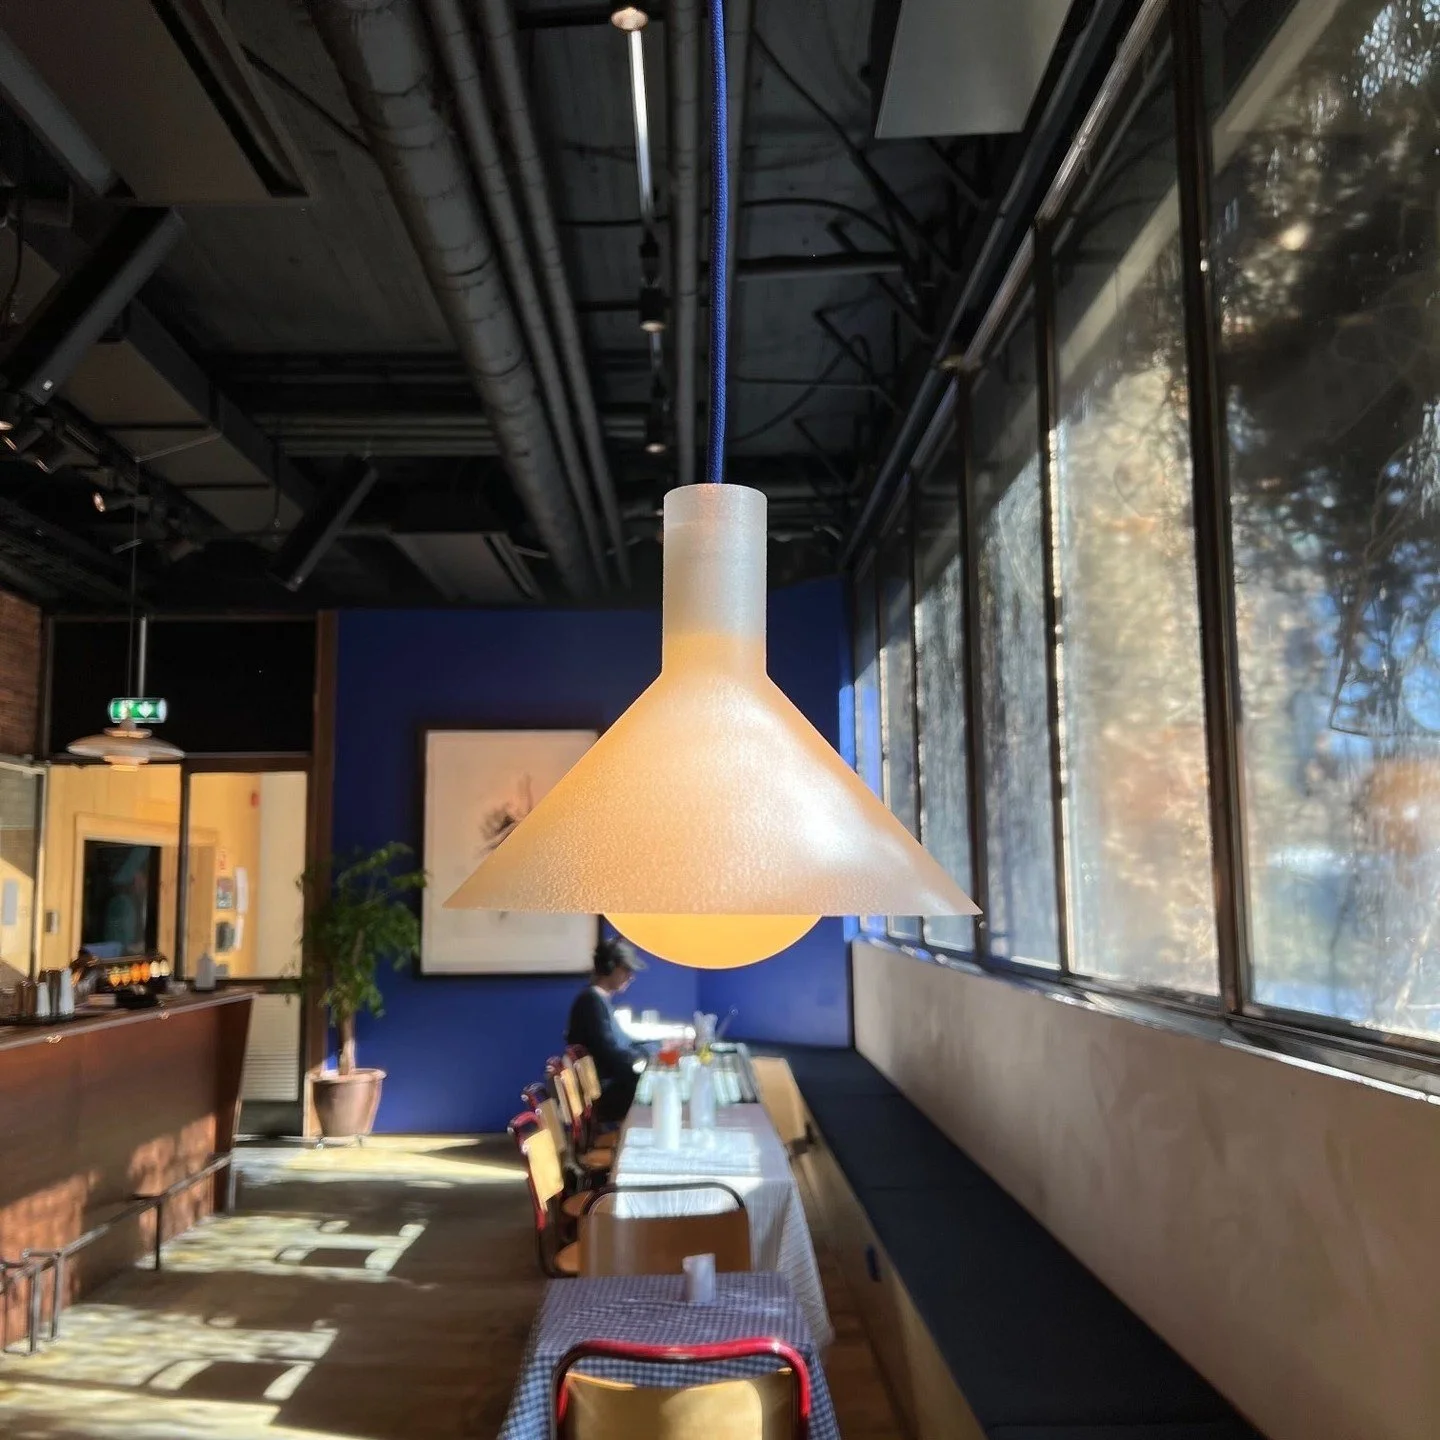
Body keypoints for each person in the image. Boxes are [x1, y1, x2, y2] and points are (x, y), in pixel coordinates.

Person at [566, 936, 647, 1122]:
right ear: (610, 967)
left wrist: (652, 1050)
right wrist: (643, 1060)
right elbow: (609, 1053)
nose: (631, 976)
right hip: (604, 1095)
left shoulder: (598, 1000)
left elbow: (622, 1044)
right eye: (626, 969)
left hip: (606, 1088)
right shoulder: (591, 1002)